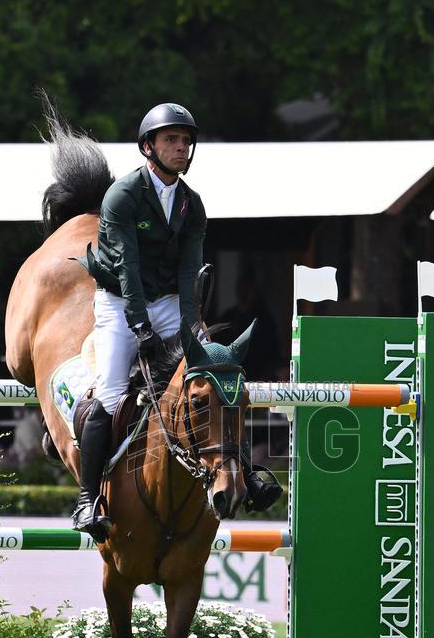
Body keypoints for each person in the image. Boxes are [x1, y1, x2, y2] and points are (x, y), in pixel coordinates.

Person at [72, 102, 281, 539]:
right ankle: (88, 498)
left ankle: (246, 475)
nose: (181, 147)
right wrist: (140, 328)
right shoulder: (123, 195)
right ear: (148, 146)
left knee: (215, 380)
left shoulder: (191, 204)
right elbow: (127, 269)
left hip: (169, 303)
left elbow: (190, 272)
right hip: (119, 302)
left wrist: (191, 329)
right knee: (110, 395)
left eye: (186, 140)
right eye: (171, 139)